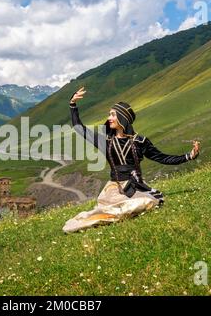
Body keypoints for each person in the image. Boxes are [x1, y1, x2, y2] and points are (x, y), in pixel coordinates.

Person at [62, 87, 200, 233]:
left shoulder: (140, 141)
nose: (109, 118)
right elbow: (79, 128)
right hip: (113, 188)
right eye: (109, 114)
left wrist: (189, 156)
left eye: (113, 115)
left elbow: (162, 158)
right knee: (117, 209)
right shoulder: (106, 141)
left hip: (135, 186)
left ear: (123, 118)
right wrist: (72, 105)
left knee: (150, 202)